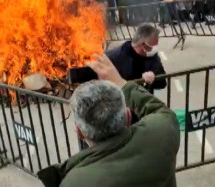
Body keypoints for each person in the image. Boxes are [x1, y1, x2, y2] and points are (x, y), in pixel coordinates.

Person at [37, 54, 180, 187]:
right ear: (128, 117)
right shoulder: (162, 135)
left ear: (80, 132)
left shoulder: (75, 181)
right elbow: (161, 111)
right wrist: (122, 83)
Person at [106, 23, 167, 94]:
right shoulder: (115, 57)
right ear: (143, 44)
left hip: (144, 101)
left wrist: (153, 78)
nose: (155, 48)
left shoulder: (153, 57)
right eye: (153, 44)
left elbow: (163, 83)